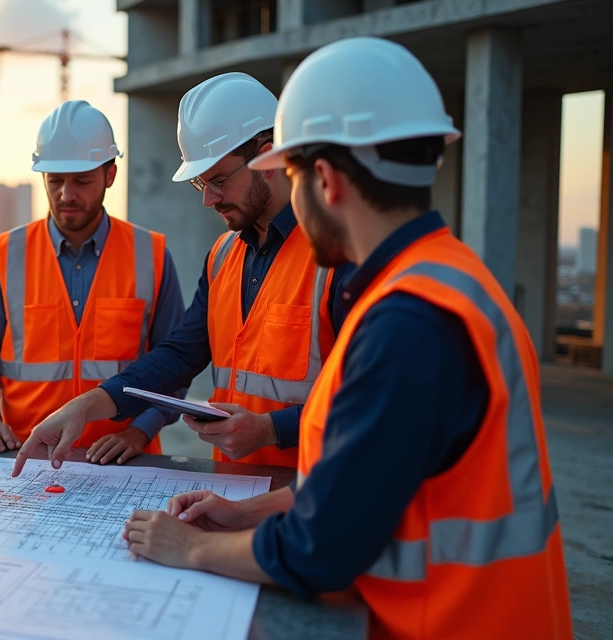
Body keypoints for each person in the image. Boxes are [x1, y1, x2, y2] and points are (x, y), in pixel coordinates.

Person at [122, 37, 572, 639]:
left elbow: (319, 548)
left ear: (326, 181)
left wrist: (188, 548)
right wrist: (244, 511)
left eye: (293, 174)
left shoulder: (408, 323)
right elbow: (366, 480)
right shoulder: (453, 283)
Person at [12, 73, 352, 474]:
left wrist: (269, 429)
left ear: (270, 156)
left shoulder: (341, 254)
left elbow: (373, 398)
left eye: (220, 180)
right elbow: (178, 355)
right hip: (235, 490)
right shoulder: (223, 257)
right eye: (200, 183)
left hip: (316, 498)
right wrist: (85, 406)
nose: (209, 199)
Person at [0, 100, 186, 465]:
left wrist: (138, 430)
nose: (67, 195)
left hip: (126, 462)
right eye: (55, 181)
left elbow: (176, 364)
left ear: (110, 175)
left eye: (81, 181)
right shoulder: (6, 254)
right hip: (24, 457)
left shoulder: (152, 255)